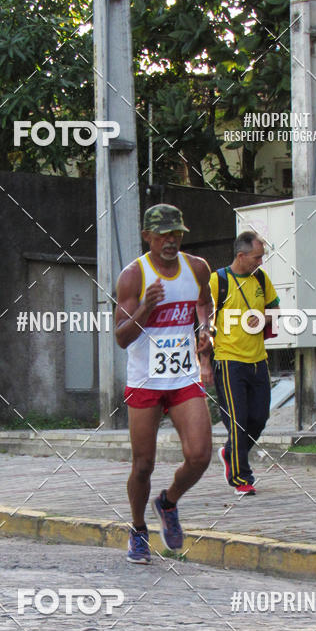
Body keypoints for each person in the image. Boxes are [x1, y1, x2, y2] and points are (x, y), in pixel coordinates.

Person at [115, 204, 214, 564]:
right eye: (163, 235)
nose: (171, 241)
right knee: (143, 465)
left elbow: (204, 303)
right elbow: (121, 338)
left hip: (183, 376)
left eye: (176, 234)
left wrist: (206, 329)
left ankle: (168, 502)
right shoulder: (133, 276)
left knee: (201, 455)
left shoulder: (197, 268)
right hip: (146, 380)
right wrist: (145, 308)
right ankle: (139, 530)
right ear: (148, 237)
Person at [210, 231, 279, 495]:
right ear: (241, 256)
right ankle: (242, 478)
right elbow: (202, 318)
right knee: (237, 421)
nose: (260, 262)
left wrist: (263, 317)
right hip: (228, 361)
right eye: (257, 257)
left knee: (259, 418)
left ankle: (230, 453)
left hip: (258, 360)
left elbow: (275, 309)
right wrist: (204, 359)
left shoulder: (261, 278)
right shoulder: (218, 281)